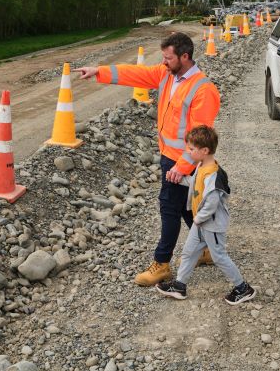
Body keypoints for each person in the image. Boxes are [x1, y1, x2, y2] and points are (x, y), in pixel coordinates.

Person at [74, 31, 220, 286]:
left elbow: (201, 140)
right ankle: (206, 250)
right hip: (169, 157)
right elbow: (135, 73)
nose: (163, 62)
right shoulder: (167, 74)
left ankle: (162, 264)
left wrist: (181, 167)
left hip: (183, 162)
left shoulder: (202, 90)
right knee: (185, 207)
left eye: (168, 58)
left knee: (169, 209)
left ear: (185, 57)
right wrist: (99, 71)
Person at [155, 125, 256, 305]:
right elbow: (196, 183)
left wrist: (198, 219)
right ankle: (180, 286)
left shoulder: (213, 175)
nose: (189, 152)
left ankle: (243, 288)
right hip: (201, 223)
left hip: (211, 225)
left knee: (219, 256)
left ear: (205, 150)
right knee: (189, 252)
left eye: (191, 149)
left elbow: (212, 202)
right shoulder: (201, 166)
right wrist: (179, 179)